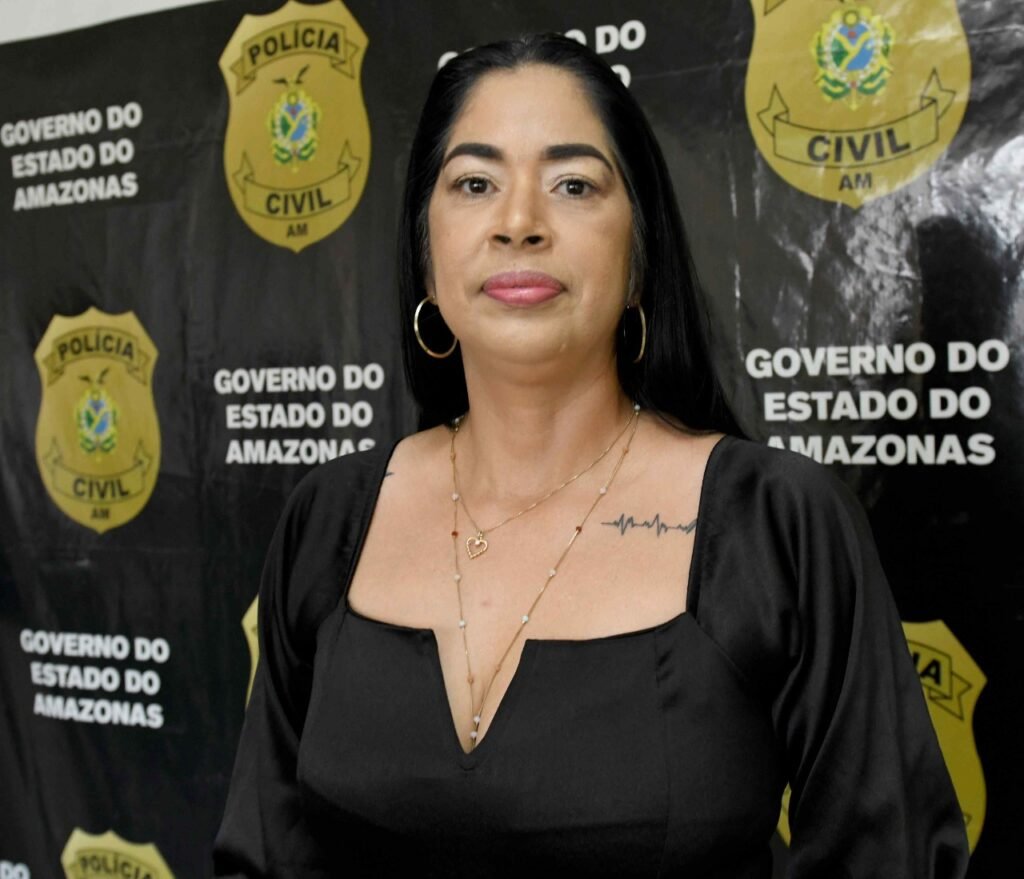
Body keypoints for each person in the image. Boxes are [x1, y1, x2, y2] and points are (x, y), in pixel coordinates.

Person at [214, 33, 969, 877]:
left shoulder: (777, 525)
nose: (519, 223)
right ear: (425, 253)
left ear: (640, 253)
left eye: (573, 184)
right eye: (474, 183)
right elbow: (263, 855)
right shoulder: (329, 521)